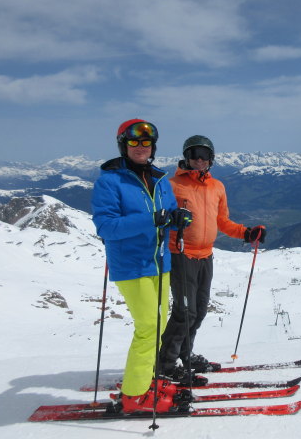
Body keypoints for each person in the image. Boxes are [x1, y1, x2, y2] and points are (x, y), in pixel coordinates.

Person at [91, 119, 192, 413]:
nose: (140, 147)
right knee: (148, 327)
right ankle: (134, 395)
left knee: (158, 325)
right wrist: (152, 219)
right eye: (134, 142)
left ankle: (146, 380)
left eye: (146, 142)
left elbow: (168, 211)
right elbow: (106, 226)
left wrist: (178, 217)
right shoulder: (110, 182)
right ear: (124, 145)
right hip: (132, 265)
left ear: (153, 147)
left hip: (160, 263)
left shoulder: (160, 180)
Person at [159, 135, 266, 382]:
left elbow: (222, 221)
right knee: (185, 312)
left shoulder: (217, 186)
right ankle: (164, 365)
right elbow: (161, 218)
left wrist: (247, 233)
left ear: (211, 159)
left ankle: (186, 355)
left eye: (204, 154)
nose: (199, 159)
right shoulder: (171, 185)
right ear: (186, 156)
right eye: (194, 153)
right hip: (181, 254)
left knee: (199, 311)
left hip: (206, 256)